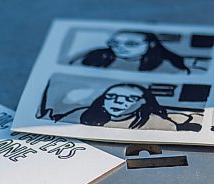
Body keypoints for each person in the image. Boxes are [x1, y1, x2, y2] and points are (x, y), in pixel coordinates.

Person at [37, 83, 202, 131]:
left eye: (130, 99)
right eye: (111, 96)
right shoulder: (81, 114)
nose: (116, 102)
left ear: (143, 102)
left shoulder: (159, 124)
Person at [69, 30, 191, 74]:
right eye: (115, 43)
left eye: (131, 44)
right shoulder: (96, 56)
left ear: (151, 44)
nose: (119, 48)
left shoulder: (168, 66)